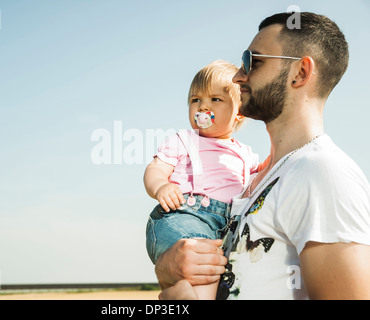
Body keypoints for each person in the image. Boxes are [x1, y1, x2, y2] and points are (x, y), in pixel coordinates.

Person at [156, 12, 370, 300]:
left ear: (301, 73)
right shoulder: (257, 179)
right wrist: (167, 268)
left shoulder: (322, 172)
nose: (238, 75)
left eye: (252, 61)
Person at [144, 60, 267, 299]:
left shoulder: (246, 154)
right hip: (183, 217)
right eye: (195, 100)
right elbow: (155, 169)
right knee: (204, 265)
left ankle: (180, 295)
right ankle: (182, 292)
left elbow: (263, 173)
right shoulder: (184, 140)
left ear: (239, 112)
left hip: (223, 229)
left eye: (215, 100)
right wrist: (161, 186)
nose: (202, 107)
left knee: (212, 274)